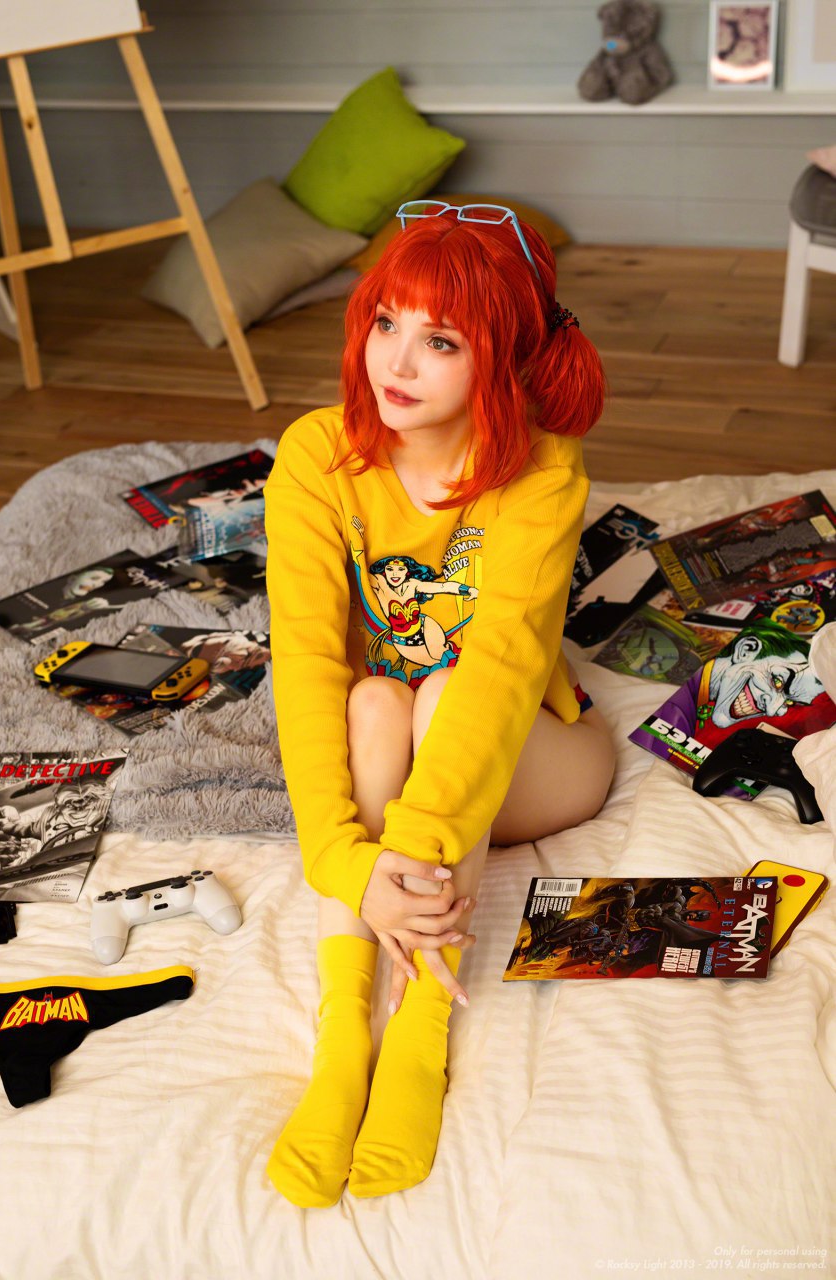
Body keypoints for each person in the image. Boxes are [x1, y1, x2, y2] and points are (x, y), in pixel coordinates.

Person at [263, 201, 616, 1208]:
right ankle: (344, 1034)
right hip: (397, 743)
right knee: (375, 702)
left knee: (445, 693)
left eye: (441, 340)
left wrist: (400, 863)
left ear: (499, 358)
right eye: (386, 322)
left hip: (533, 751)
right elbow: (303, 663)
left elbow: (501, 673)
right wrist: (350, 867)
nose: (397, 360)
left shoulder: (543, 469)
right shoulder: (315, 456)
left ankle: (420, 1024)